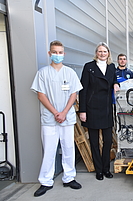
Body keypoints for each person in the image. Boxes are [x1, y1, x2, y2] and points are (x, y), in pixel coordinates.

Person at [31, 40, 83, 197]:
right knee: (49, 150)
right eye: (54, 52)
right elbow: (41, 94)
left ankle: (69, 178)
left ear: (64, 54)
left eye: (60, 52)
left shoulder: (70, 73)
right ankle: (46, 181)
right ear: (49, 53)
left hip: (66, 117)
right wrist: (55, 113)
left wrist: (64, 112)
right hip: (49, 118)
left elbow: (74, 94)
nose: (57, 55)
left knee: (68, 148)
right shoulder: (42, 73)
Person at [79, 42, 120, 181]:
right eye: (100, 51)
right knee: (95, 142)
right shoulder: (89, 67)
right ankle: (99, 170)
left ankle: (106, 168)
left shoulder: (111, 67)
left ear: (108, 53)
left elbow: (114, 79)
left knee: (108, 141)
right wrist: (82, 110)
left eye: (105, 51)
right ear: (96, 53)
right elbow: (83, 89)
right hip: (92, 108)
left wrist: (116, 83)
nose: (102, 54)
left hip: (107, 108)